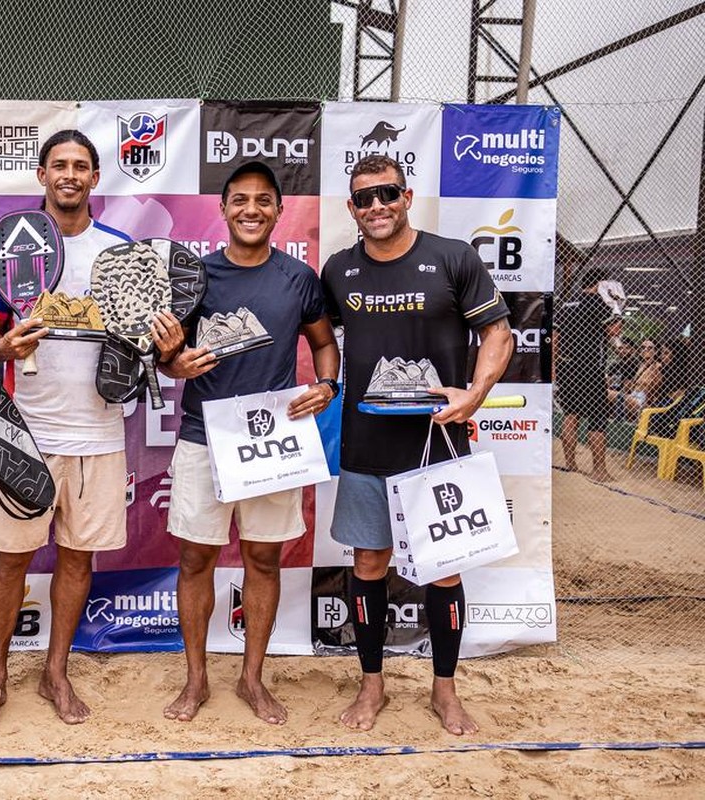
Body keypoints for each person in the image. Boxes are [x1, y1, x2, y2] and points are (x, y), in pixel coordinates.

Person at [0, 130, 182, 731]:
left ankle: (55, 670)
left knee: (77, 560)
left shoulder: (121, 254)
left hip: (100, 437)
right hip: (25, 435)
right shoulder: (12, 248)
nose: (69, 174)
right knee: (10, 562)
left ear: (95, 179)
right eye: (59, 165)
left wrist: (161, 347)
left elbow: (147, 345)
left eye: (81, 166)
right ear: (41, 175)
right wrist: (4, 345)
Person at [320, 154, 513, 735]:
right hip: (367, 440)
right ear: (351, 209)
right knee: (369, 563)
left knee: (444, 573)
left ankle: (445, 690)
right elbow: (317, 338)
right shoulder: (337, 270)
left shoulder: (452, 256)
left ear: (406, 197)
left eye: (386, 194)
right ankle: (371, 684)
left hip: (439, 442)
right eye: (363, 198)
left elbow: (497, 332)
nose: (375, 206)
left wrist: (475, 395)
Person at [159, 161, 340, 725]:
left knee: (263, 558)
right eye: (240, 200)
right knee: (195, 560)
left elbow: (324, 344)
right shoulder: (194, 276)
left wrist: (328, 384)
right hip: (202, 436)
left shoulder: (299, 278)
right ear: (223, 209)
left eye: (264, 200)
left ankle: (252, 678)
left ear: (279, 211)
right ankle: (196, 681)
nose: (251, 210)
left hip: (273, 440)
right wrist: (174, 360)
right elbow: (167, 354)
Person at [555, 267, 617, 480]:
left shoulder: (566, 304)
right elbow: (614, 331)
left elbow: (555, 336)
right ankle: (599, 470)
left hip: (568, 367)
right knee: (597, 417)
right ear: (599, 284)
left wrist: (555, 367)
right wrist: (616, 305)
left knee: (571, 415)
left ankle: (571, 465)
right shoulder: (601, 305)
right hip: (592, 368)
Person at [609, 338, 662, 418]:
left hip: (642, 403)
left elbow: (657, 391)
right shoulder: (641, 366)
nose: (645, 350)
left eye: (650, 348)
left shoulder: (657, 367)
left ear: (656, 351)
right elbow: (629, 388)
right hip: (633, 397)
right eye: (643, 347)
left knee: (606, 392)